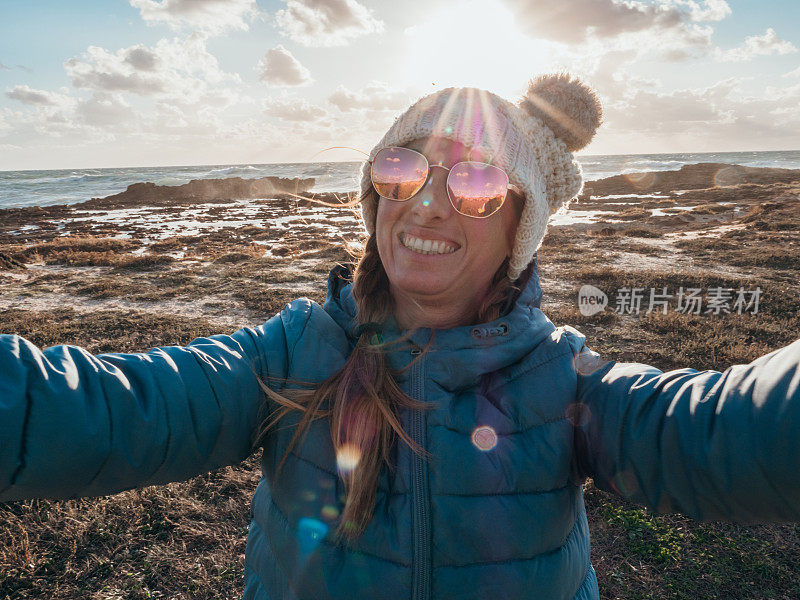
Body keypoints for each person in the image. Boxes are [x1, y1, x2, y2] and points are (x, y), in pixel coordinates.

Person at [1, 73, 799, 600]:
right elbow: (106, 409)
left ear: (523, 229)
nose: (426, 203)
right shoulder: (293, 354)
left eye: (479, 180)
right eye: (401, 171)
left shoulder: (565, 382)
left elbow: (723, 431)